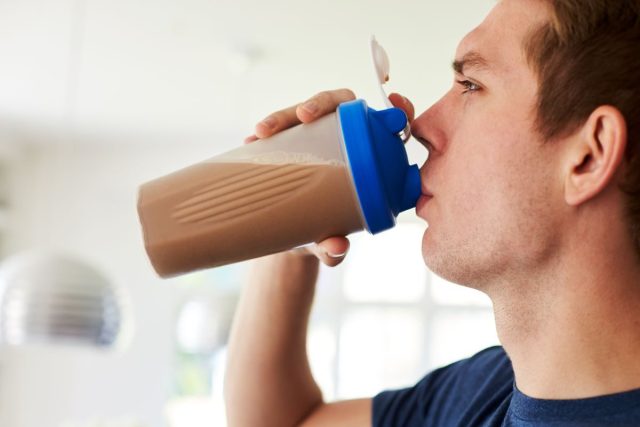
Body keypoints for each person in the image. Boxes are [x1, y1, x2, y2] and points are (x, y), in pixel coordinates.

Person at [224, 0, 640, 425]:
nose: (420, 124)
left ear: (590, 156)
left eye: (471, 84)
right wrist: (291, 231)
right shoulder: (480, 391)